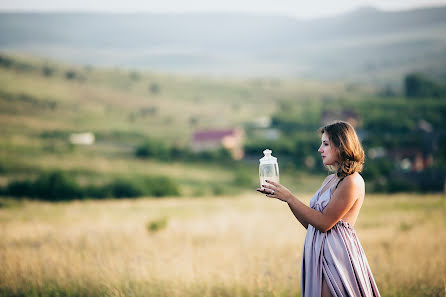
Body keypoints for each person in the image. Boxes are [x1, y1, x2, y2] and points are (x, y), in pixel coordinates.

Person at [257, 121, 380, 297]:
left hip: (337, 257)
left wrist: (290, 197)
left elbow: (324, 224)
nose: (320, 149)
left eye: (326, 144)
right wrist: (286, 200)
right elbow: (312, 224)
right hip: (318, 252)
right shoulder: (330, 180)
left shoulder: (352, 181)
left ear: (341, 145)